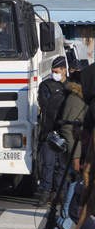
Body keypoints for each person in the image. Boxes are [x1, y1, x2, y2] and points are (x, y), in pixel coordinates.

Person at [37, 56, 69, 206]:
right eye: (52, 71)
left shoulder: (70, 86)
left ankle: (59, 193)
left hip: (65, 132)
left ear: (64, 70)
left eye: (56, 71)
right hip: (49, 132)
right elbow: (45, 105)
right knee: (48, 165)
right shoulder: (46, 85)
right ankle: (45, 193)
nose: (54, 73)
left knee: (62, 166)